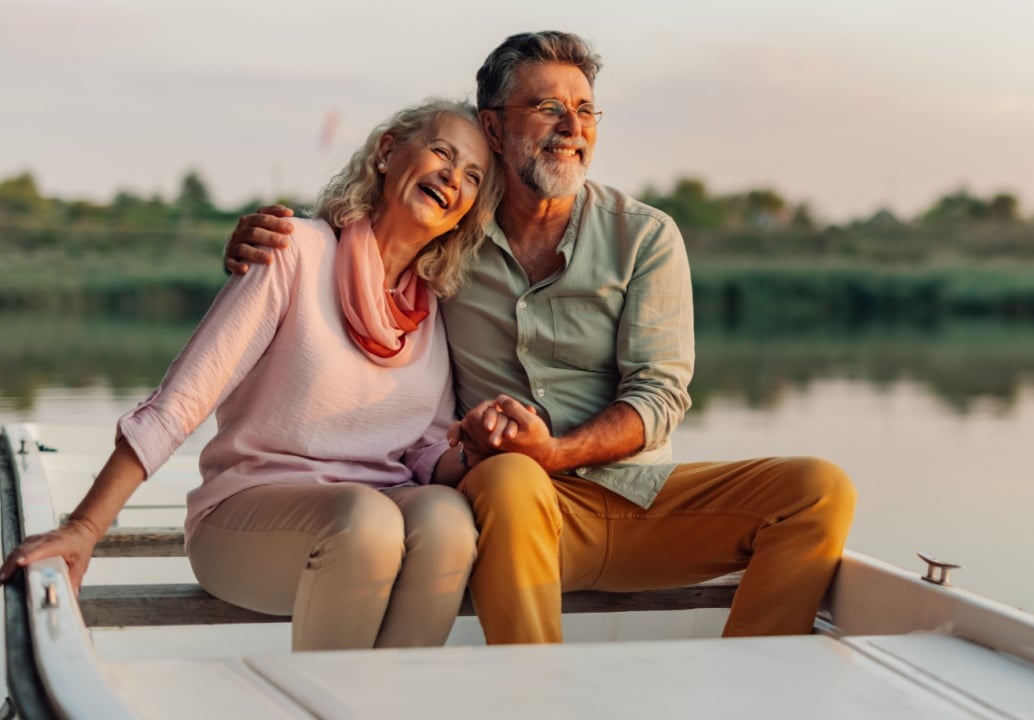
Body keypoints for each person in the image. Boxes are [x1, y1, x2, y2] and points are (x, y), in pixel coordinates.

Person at [225, 31, 857, 645]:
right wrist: (267, 238)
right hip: (508, 505)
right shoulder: (449, 227)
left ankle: (755, 692)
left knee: (817, 490)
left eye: (585, 111)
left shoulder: (645, 235)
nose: (572, 127)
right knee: (509, 476)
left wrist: (555, 451)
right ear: (494, 128)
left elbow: (659, 398)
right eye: (548, 107)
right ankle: (536, 696)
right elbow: (363, 235)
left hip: (637, 501)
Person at [0, 98, 500, 651]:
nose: (453, 178)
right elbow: (182, 401)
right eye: (441, 152)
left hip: (376, 510)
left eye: (473, 176)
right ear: (387, 152)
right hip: (249, 518)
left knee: (448, 519)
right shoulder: (293, 251)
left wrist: (474, 447)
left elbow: (426, 454)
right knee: (369, 521)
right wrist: (85, 528)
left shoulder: (433, 310)